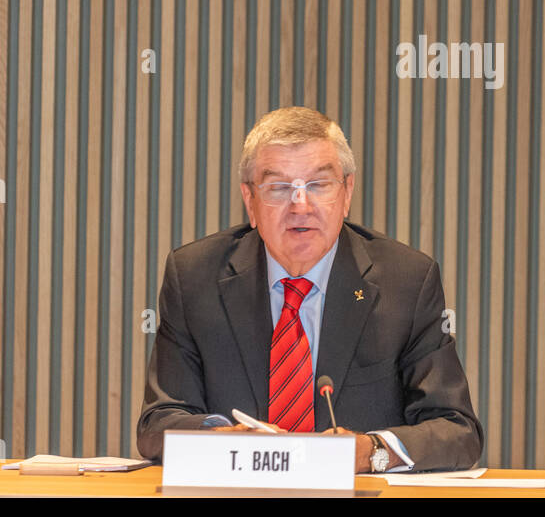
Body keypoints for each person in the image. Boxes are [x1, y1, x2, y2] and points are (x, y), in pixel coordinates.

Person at [136, 106, 483, 473]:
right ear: (250, 200)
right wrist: (227, 440)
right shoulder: (194, 277)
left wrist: (371, 451)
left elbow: (458, 431)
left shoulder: (406, 281)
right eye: (279, 188)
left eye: (318, 185)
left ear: (347, 192)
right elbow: (157, 425)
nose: (300, 206)